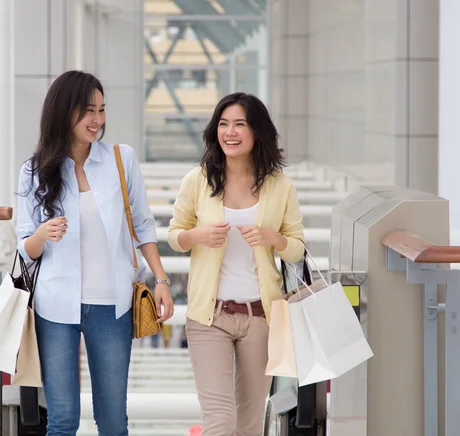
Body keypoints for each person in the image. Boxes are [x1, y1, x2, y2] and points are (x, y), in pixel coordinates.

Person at [16, 70, 174, 436]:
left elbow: (144, 227)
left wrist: (161, 279)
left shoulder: (122, 159)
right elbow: (25, 248)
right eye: (89, 111)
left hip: (112, 305)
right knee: (62, 420)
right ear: (63, 112)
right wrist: (42, 234)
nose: (98, 120)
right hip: (54, 306)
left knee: (114, 421)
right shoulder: (34, 170)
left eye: (102, 110)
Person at [167, 92, 306, 435]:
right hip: (209, 316)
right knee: (220, 421)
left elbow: (297, 249)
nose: (230, 132)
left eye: (239, 125)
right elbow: (175, 235)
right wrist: (197, 236)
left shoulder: (279, 186)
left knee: (248, 423)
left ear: (257, 132)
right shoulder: (197, 180)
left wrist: (272, 238)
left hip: (260, 318)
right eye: (223, 124)